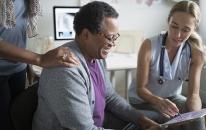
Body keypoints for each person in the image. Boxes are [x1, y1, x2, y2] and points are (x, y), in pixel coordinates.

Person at [32, 1, 161, 130]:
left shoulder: (96, 56)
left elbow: (110, 98)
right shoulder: (65, 70)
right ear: (86, 35)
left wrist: (141, 120)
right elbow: (85, 129)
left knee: (157, 118)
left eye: (115, 37)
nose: (113, 44)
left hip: (99, 123)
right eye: (109, 38)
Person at [128, 1, 206, 130]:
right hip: (143, 101)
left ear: (194, 28)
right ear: (168, 21)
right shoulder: (148, 45)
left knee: (197, 118)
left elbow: (194, 95)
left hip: (172, 98)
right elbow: (141, 89)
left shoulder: (196, 53)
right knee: (168, 119)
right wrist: (159, 102)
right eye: (174, 26)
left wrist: (195, 114)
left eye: (185, 30)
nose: (178, 35)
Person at [0, 0, 79, 129]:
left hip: (18, 68)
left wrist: (27, 63)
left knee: (17, 116)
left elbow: (15, 34)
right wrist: (38, 59)